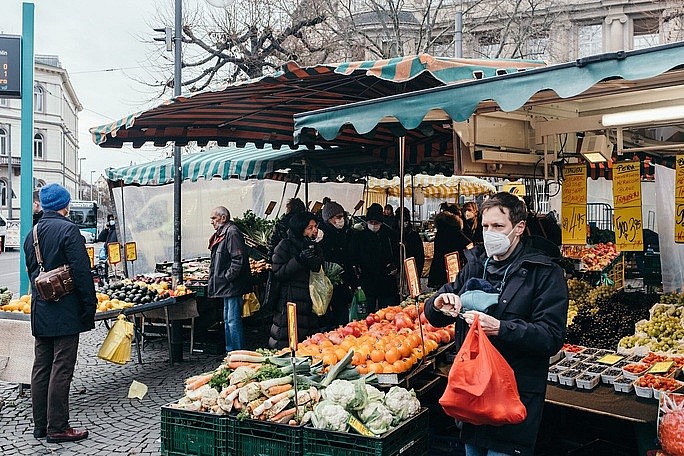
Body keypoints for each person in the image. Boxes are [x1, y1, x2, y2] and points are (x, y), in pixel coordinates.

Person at [424, 192, 568, 456]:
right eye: (486, 226)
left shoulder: (545, 272)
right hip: (472, 393)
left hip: (513, 394)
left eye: (498, 227)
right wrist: (438, 303)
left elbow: (551, 336)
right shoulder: (476, 264)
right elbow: (433, 313)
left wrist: (501, 327)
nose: (490, 233)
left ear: (519, 227)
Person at [23, 183, 96, 443]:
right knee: (62, 367)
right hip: (65, 309)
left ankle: (40, 425)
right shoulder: (68, 230)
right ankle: (58, 427)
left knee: (41, 367)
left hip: (41, 309)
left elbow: (33, 273)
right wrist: (89, 307)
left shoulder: (31, 234)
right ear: (65, 205)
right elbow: (82, 274)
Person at [269, 211, 323, 349]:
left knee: (308, 343)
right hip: (290, 299)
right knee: (288, 340)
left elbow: (318, 269)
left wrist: (314, 257)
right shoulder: (284, 245)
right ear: (300, 229)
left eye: (315, 226)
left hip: (310, 298)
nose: (314, 230)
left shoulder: (314, 245)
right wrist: (299, 260)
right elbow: (278, 272)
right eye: (310, 228)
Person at [207, 206, 251, 354]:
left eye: (214, 218)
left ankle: (237, 353)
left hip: (231, 285)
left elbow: (238, 259)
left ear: (223, 218)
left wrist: (228, 277)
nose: (212, 222)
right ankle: (231, 352)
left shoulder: (231, 232)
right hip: (227, 286)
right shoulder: (223, 233)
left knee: (232, 320)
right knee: (228, 320)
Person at [349, 204, 399, 312]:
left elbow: (397, 254)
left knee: (387, 312)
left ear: (381, 222)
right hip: (367, 280)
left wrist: (395, 267)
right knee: (367, 313)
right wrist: (357, 271)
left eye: (376, 223)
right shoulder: (359, 237)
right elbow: (353, 257)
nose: (373, 225)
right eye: (370, 222)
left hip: (386, 281)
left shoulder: (390, 235)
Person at [319, 201, 354, 327]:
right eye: (338, 217)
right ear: (329, 219)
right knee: (328, 320)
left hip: (342, 283)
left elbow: (348, 259)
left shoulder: (344, 233)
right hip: (326, 285)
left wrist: (352, 282)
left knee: (342, 319)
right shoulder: (321, 236)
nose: (342, 220)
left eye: (343, 216)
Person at [428, 209, 472, 288]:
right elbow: (469, 244)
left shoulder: (440, 232)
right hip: (452, 265)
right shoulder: (455, 231)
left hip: (439, 267)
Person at [397, 207, 425, 277]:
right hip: (397, 271)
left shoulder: (414, 235)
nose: (404, 223)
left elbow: (420, 257)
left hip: (411, 269)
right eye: (401, 220)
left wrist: (417, 273)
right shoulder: (393, 235)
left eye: (406, 220)